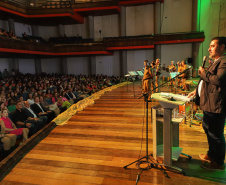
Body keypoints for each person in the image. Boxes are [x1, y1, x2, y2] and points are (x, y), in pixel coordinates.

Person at [188, 37, 226, 171]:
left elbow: (219, 80)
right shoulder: (216, 61)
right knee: (208, 130)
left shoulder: (224, 61)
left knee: (216, 134)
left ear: (222, 47)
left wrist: (204, 73)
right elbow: (206, 82)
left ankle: (219, 162)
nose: (209, 49)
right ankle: (211, 155)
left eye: (212, 46)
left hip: (216, 105)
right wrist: (196, 91)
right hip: (208, 104)